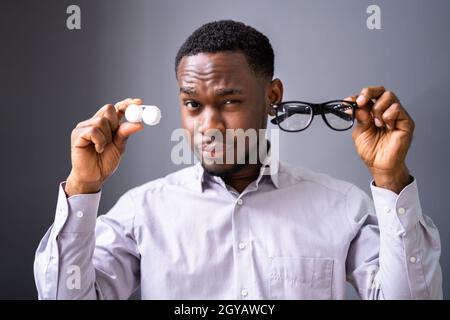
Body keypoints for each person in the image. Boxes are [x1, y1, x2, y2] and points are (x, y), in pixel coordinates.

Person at [34, 20, 442, 299]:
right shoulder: (143, 212)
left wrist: (390, 179)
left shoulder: (341, 207)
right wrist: (82, 188)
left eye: (229, 101)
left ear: (273, 97)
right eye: (192, 104)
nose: (208, 125)